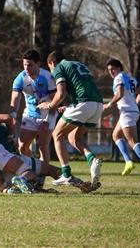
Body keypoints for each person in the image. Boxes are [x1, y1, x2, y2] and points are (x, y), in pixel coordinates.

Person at [37, 51, 103, 192]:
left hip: (84, 104)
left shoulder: (59, 67)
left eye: (50, 69)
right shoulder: (78, 64)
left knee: (57, 135)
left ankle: (66, 174)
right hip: (97, 105)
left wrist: (49, 105)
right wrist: (69, 107)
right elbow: (83, 89)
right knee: (74, 137)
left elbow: (60, 93)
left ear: (52, 63)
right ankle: (92, 160)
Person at [10, 49, 57, 188]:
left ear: (38, 64)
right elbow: (15, 99)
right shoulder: (21, 78)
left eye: (30, 65)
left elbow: (56, 101)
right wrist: (13, 116)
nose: (26, 68)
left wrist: (48, 120)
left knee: (43, 146)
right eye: (24, 65)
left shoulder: (48, 77)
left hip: (47, 115)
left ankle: (41, 179)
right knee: (23, 147)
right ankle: (35, 169)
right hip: (30, 116)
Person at [104, 58, 140, 179]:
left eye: (113, 69)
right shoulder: (131, 78)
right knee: (116, 135)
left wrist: (109, 104)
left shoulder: (119, 78)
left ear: (119, 68)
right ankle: (128, 161)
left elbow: (120, 94)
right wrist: (134, 104)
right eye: (109, 70)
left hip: (127, 112)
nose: (111, 71)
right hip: (131, 111)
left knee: (132, 141)